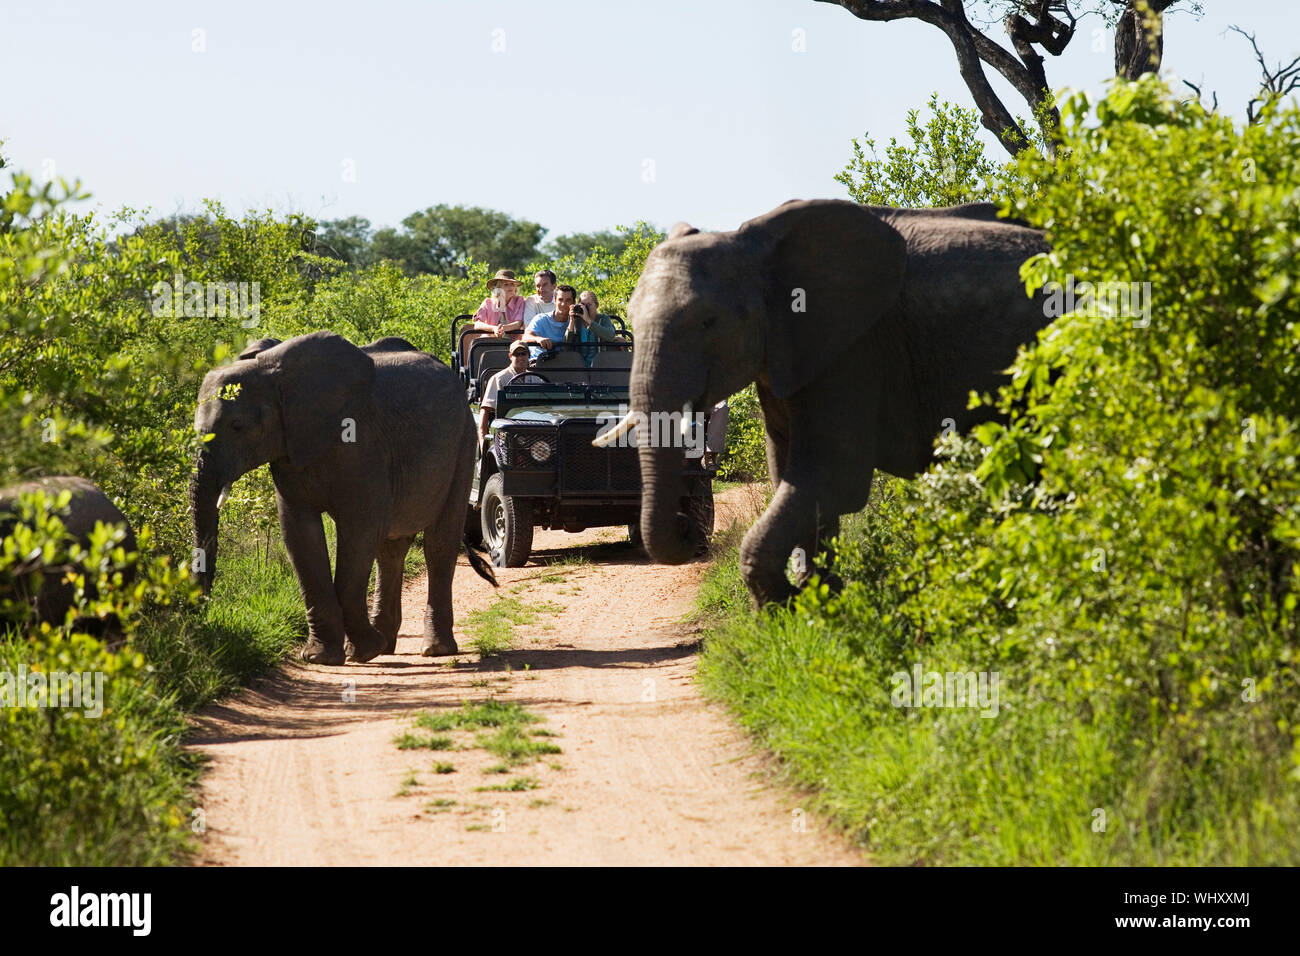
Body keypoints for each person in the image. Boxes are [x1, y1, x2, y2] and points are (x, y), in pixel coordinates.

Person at [479, 340, 545, 444]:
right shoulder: (499, 379)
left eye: (523, 354)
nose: (520, 357)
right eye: (516, 354)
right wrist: (483, 440)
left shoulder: (536, 379)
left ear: (529, 356)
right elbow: (485, 410)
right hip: (507, 432)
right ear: (510, 356)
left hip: (534, 429)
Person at [522, 284, 580, 362]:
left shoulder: (575, 322)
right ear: (555, 301)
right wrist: (538, 339)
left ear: (573, 303)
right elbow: (525, 337)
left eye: (568, 300)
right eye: (560, 300)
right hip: (539, 363)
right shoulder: (541, 319)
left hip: (563, 365)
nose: (563, 304)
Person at [472, 269, 526, 336]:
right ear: (498, 288)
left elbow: (518, 323)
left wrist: (503, 328)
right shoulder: (487, 303)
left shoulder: (520, 301)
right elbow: (477, 324)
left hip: (512, 343)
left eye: (512, 284)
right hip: (488, 342)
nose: (510, 287)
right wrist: (494, 329)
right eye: (506, 284)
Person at [574, 290, 621, 365]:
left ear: (596, 305)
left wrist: (589, 321)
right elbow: (567, 347)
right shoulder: (576, 321)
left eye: (589, 305)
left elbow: (611, 336)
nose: (586, 308)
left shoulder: (603, 319)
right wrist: (571, 321)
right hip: (580, 367)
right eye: (583, 304)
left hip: (600, 366)